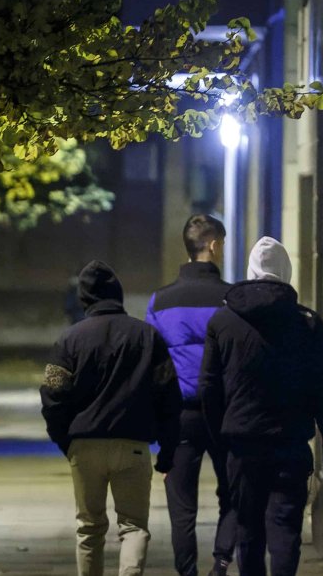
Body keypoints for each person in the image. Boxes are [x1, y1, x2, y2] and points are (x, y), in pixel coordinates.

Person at [199, 237, 323, 576]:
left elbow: (209, 386)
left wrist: (218, 437)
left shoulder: (223, 322)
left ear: (251, 271)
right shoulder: (307, 323)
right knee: (285, 529)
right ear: (285, 271)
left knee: (248, 528)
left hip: (242, 445)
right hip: (291, 444)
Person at [41, 260, 182, 576]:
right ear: (118, 295)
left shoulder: (69, 339)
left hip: (85, 446)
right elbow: (169, 396)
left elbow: (52, 395)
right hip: (133, 445)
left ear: (84, 300)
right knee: (133, 526)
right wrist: (168, 450)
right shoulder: (147, 337)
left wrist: (66, 439)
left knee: (89, 529)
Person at [145, 215, 236, 576]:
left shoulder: (160, 301)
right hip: (225, 414)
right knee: (232, 493)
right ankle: (221, 563)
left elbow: (155, 368)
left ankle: (187, 573)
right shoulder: (232, 299)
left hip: (179, 416)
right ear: (213, 245)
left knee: (181, 506)